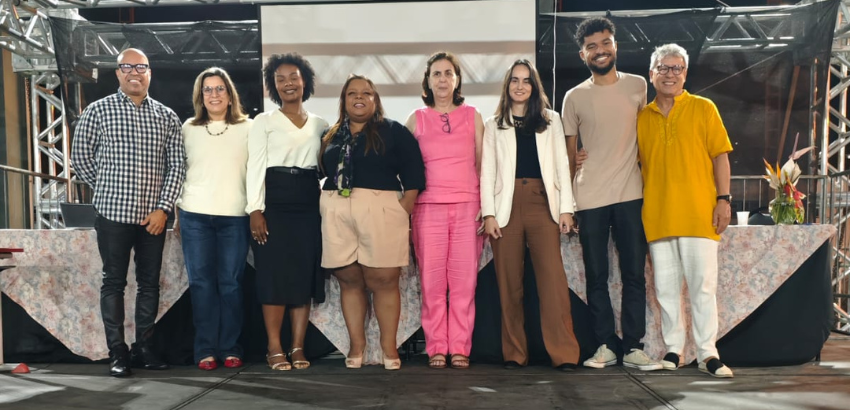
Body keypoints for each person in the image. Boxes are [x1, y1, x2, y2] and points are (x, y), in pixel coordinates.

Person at [72, 48, 185, 377]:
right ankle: (117, 352)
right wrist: (107, 188)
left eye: (141, 67)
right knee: (114, 283)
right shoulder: (98, 111)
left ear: (150, 73)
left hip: (154, 218)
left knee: (150, 285)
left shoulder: (166, 116)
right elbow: (81, 158)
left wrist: (163, 208)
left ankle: (144, 349)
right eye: (127, 67)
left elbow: (177, 166)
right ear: (118, 73)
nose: (135, 72)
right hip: (112, 215)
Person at [561, 17, 661, 371]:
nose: (600, 50)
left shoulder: (638, 86)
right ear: (582, 54)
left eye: (605, 43)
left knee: (634, 274)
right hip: (589, 198)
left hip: (631, 194)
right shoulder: (573, 97)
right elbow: (568, 157)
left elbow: (646, 138)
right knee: (596, 277)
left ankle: (634, 347)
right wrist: (567, 205)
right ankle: (605, 345)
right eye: (592, 46)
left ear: (615, 46)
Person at [637, 43, 734, 378]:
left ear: (685, 74)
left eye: (677, 68)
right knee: (665, 290)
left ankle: (708, 353)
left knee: (702, 288)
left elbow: (721, 156)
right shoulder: (641, 117)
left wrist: (724, 199)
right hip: (658, 214)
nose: (670, 74)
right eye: (663, 68)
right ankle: (674, 349)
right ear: (652, 74)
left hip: (699, 214)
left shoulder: (704, 108)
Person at [319, 74, 426, 370]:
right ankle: (357, 346)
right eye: (352, 93)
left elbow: (414, 170)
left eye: (366, 93)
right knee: (349, 279)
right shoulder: (330, 134)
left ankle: (388, 348)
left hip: (381, 209)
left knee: (384, 279)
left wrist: (404, 206)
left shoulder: (393, 131)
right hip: (337, 209)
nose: (359, 97)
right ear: (343, 100)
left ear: (375, 99)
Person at [480, 59, 580, 371]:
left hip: (543, 203)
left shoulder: (551, 120)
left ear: (534, 87)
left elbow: (562, 166)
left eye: (526, 80)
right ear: (507, 85)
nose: (520, 86)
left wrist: (566, 208)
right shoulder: (494, 124)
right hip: (505, 207)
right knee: (509, 285)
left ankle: (564, 354)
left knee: (553, 284)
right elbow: (487, 172)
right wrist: (488, 214)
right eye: (515, 80)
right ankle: (514, 353)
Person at [247, 53, 329, 371]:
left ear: (304, 80)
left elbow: (325, 168)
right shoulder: (264, 122)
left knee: (302, 275)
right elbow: (255, 167)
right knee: (273, 276)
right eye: (280, 79)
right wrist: (255, 209)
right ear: (273, 86)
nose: (287, 83)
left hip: (308, 202)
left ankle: (297, 346)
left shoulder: (321, 124)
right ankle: (274, 347)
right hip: (274, 202)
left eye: (293, 77)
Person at [404, 52, 485, 370]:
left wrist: (486, 207)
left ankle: (460, 347)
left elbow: (483, 164)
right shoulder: (416, 119)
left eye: (448, 73)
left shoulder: (473, 116)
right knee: (432, 284)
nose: (442, 79)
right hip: (427, 210)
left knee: (464, 285)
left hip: (468, 207)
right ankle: (437, 347)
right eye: (436, 73)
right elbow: (404, 168)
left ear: (457, 80)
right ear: (428, 80)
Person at [175, 67, 251, 371]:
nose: (214, 94)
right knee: (201, 284)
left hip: (235, 216)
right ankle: (205, 349)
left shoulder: (248, 127)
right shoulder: (188, 128)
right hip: (194, 216)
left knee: (231, 284)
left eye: (220, 88)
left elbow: (256, 173)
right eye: (208, 89)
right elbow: (179, 172)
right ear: (200, 96)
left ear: (230, 95)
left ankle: (230, 348)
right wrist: (177, 212)